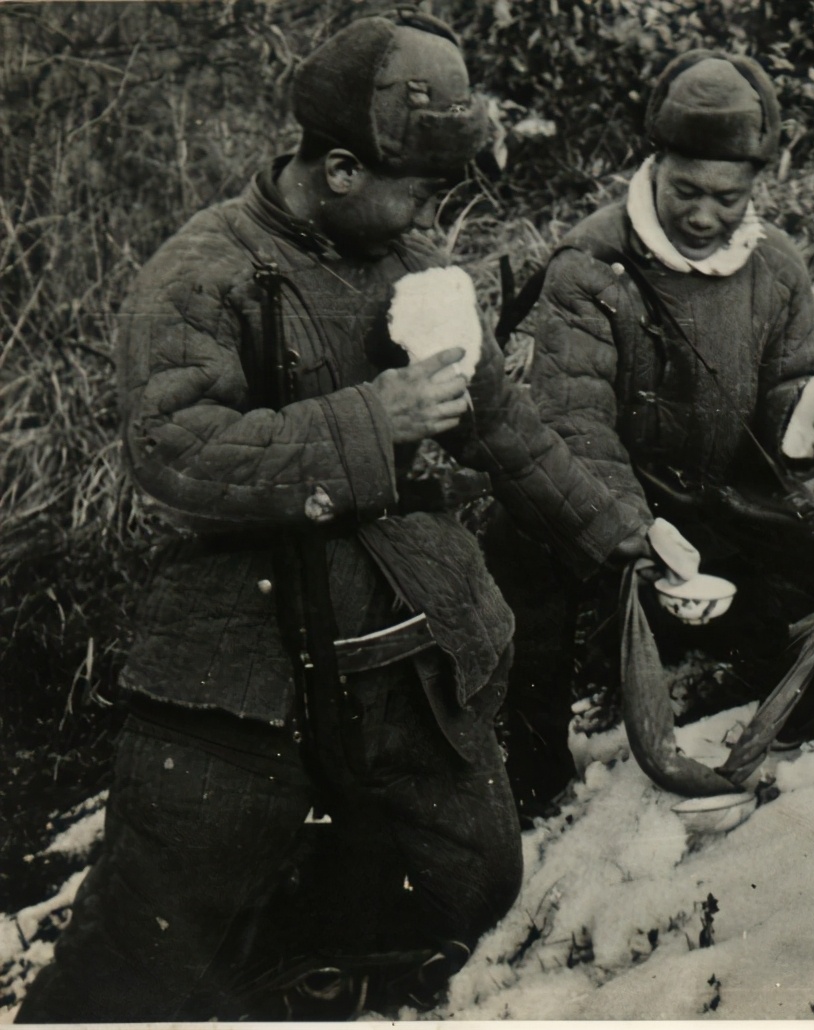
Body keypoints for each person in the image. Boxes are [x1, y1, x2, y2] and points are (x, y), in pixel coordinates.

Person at [15, 10, 649, 1022]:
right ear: (343, 170)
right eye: (418, 190)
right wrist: (372, 422)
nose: (429, 214)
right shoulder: (203, 273)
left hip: (399, 638)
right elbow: (170, 455)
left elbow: (505, 425)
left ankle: (296, 984)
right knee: (149, 942)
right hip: (235, 652)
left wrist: (623, 538)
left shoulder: (418, 273)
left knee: (472, 885)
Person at [486, 50, 814, 817]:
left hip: (716, 508)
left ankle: (742, 693)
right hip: (612, 509)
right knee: (519, 545)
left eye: (729, 197)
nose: (703, 214)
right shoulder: (592, 265)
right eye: (687, 189)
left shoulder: (776, 268)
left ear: (754, 187)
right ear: (654, 165)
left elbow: (784, 394)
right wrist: (631, 530)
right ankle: (534, 772)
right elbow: (573, 423)